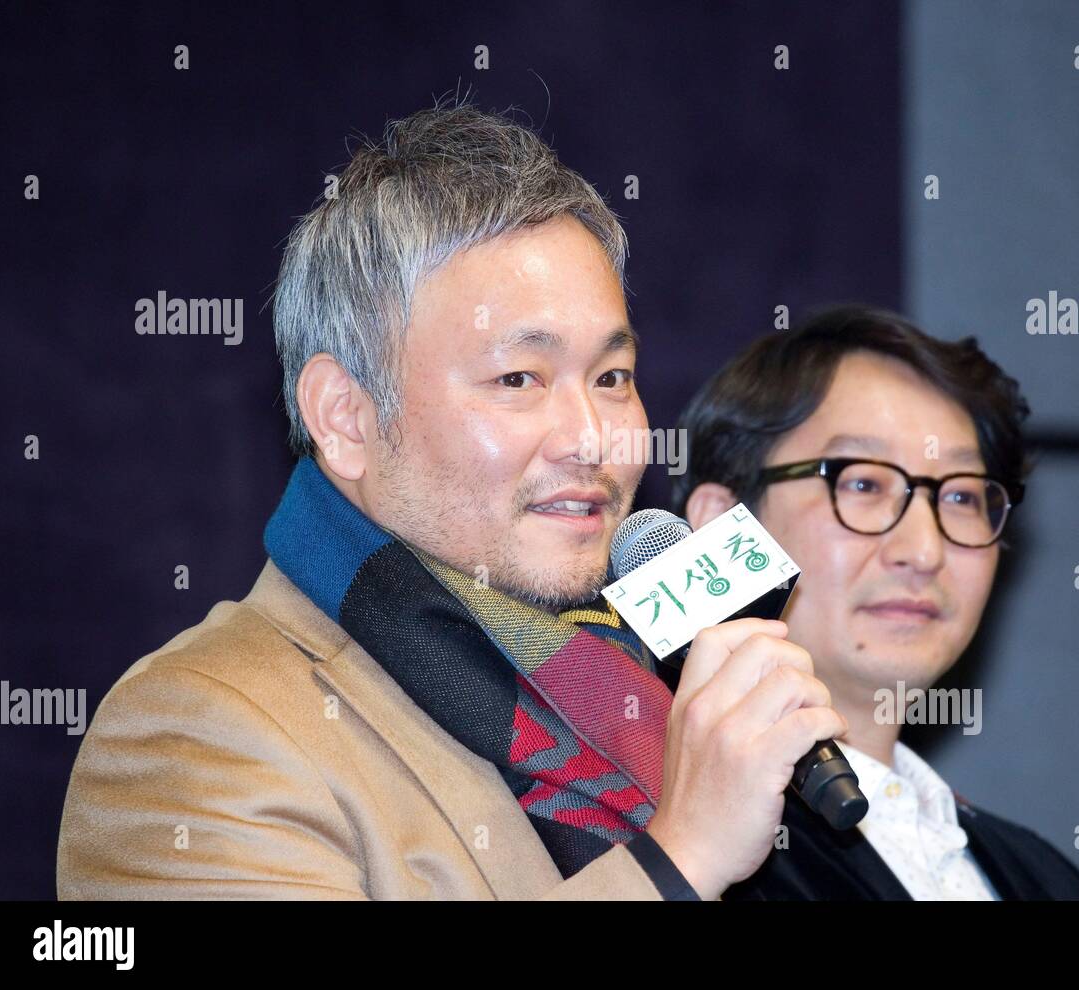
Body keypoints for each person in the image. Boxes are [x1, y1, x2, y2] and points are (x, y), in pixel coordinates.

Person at [56, 101, 846, 901]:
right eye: (517, 380)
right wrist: (679, 860)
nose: (592, 438)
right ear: (346, 415)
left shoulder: (653, 688)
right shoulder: (195, 731)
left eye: (612, 379)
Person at [673, 304, 1079, 900]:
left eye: (961, 496)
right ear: (723, 528)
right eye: (863, 484)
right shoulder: (656, 838)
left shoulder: (1046, 879)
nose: (923, 551)